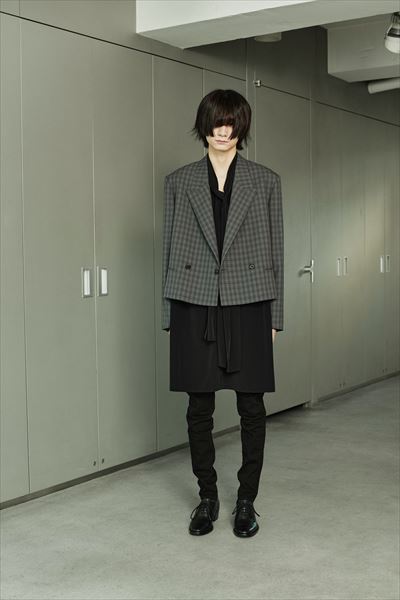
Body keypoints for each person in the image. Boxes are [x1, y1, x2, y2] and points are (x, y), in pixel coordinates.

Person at [161, 89, 284, 537]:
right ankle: (207, 497)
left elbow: (277, 252)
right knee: (199, 407)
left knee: (252, 406)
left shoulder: (265, 181)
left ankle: (247, 500)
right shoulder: (179, 182)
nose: (223, 131)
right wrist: (169, 315)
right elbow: (169, 252)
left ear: (241, 127)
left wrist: (275, 317)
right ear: (205, 125)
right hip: (194, 303)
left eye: (231, 123)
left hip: (249, 303)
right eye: (217, 121)